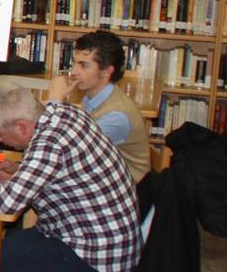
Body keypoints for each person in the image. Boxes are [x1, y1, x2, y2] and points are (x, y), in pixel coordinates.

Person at [0, 77, 142, 272]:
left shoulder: (49, 141)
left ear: (21, 126)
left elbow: (5, 205)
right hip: (87, 236)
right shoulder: (62, 113)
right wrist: (20, 171)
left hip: (95, 254)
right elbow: (61, 170)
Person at [47, 29, 150, 183]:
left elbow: (63, 152)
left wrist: (54, 100)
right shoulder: (93, 98)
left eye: (83, 65)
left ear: (106, 72)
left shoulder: (116, 116)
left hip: (125, 194)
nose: (74, 71)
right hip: (102, 180)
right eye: (74, 63)